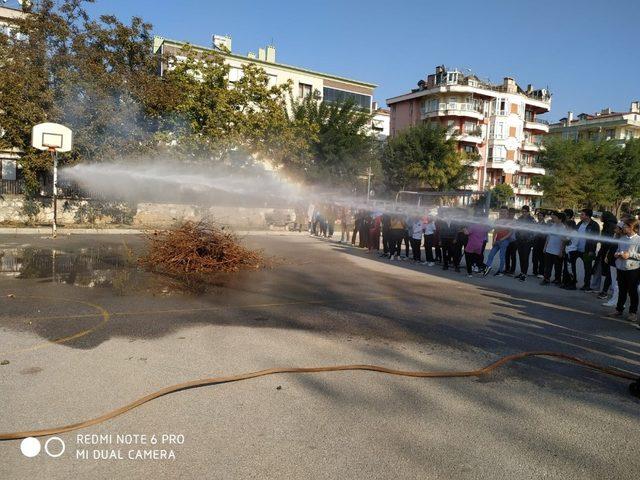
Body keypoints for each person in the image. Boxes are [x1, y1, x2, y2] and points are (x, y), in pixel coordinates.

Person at [608, 217, 640, 328]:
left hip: (633, 270)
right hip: (620, 268)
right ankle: (619, 309)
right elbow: (618, 249)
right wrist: (617, 254)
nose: (624, 228)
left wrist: (629, 255)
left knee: (632, 292)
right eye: (624, 226)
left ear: (633, 228)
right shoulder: (622, 238)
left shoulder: (638, 240)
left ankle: (633, 313)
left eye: (626, 226)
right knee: (622, 290)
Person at [567, 208, 600, 291]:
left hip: (587, 251)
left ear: (588, 216)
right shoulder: (580, 223)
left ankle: (586, 285)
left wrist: (592, 251)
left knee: (587, 268)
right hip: (576, 249)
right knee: (572, 266)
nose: (580, 216)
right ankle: (572, 283)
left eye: (582, 214)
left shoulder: (594, 225)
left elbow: (594, 239)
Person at [483, 206, 512, 277]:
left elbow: (510, 233)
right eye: (501, 211)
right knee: (490, 255)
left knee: (501, 256)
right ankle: (487, 268)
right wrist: (493, 240)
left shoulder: (509, 221)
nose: (503, 213)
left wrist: (503, 239)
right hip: (497, 241)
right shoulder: (497, 220)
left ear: (507, 212)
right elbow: (494, 231)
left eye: (504, 211)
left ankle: (500, 271)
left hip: (504, 241)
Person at [541, 211, 566, 285]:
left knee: (558, 267)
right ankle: (546, 279)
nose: (553, 219)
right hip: (549, 249)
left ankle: (557, 280)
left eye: (555, 218)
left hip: (557, 250)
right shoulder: (552, 226)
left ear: (560, 219)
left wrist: (561, 251)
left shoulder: (563, 228)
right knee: (548, 266)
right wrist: (545, 247)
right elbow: (548, 237)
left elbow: (563, 241)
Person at [597, 211, 619, 299]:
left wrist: (606, 254)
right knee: (608, 272)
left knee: (609, 272)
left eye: (601, 216)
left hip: (609, 252)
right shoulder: (608, 224)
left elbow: (609, 241)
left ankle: (606, 291)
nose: (600, 217)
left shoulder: (610, 225)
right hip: (606, 251)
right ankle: (606, 290)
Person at [514, 205, 535, 281]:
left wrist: (529, 240)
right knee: (521, 257)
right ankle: (522, 272)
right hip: (520, 241)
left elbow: (534, 231)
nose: (523, 213)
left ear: (528, 212)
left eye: (525, 211)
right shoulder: (519, 219)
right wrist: (517, 239)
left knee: (525, 258)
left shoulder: (532, 220)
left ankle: (524, 274)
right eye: (522, 211)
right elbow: (516, 229)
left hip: (527, 242)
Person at [532, 210, 548, 278]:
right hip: (535, 242)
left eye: (541, 216)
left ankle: (541, 273)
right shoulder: (535, 223)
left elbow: (545, 235)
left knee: (541, 259)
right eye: (538, 215)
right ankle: (535, 272)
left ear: (544, 217)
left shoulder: (545, 225)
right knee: (534, 258)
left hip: (542, 242)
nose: (539, 217)